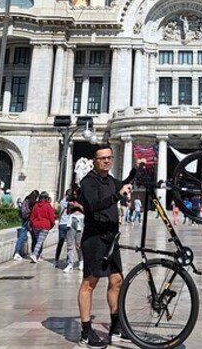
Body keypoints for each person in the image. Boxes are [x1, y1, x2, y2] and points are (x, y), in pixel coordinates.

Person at [77, 145, 141, 348]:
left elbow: (122, 185)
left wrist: (135, 171)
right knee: (89, 283)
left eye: (109, 158)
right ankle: (86, 333)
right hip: (95, 238)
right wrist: (117, 196)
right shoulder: (88, 182)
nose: (106, 161)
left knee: (117, 281)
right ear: (94, 160)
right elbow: (95, 205)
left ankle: (116, 329)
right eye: (102, 158)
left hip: (111, 238)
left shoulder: (109, 180)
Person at [29, 191, 56, 263]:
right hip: (44, 226)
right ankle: (34, 255)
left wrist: (32, 224)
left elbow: (32, 216)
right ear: (47, 198)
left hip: (36, 225)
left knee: (38, 241)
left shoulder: (36, 205)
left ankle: (38, 255)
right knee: (40, 242)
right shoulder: (48, 206)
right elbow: (52, 217)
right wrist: (52, 224)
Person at [63, 187, 85, 273]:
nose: (75, 195)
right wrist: (71, 206)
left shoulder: (84, 200)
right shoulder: (70, 201)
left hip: (80, 221)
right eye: (74, 194)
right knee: (69, 243)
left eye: (76, 193)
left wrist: (78, 206)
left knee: (78, 244)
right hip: (71, 221)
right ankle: (70, 264)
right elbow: (67, 212)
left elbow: (88, 211)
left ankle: (81, 261)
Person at [13, 190, 38, 261]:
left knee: (21, 237)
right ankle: (34, 253)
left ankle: (16, 253)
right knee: (34, 238)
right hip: (30, 222)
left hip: (24, 221)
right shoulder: (33, 202)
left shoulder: (26, 200)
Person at [54, 188, 73, 268]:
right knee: (69, 243)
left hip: (63, 223)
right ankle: (68, 261)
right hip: (67, 224)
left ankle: (57, 260)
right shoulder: (69, 203)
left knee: (62, 243)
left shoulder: (62, 202)